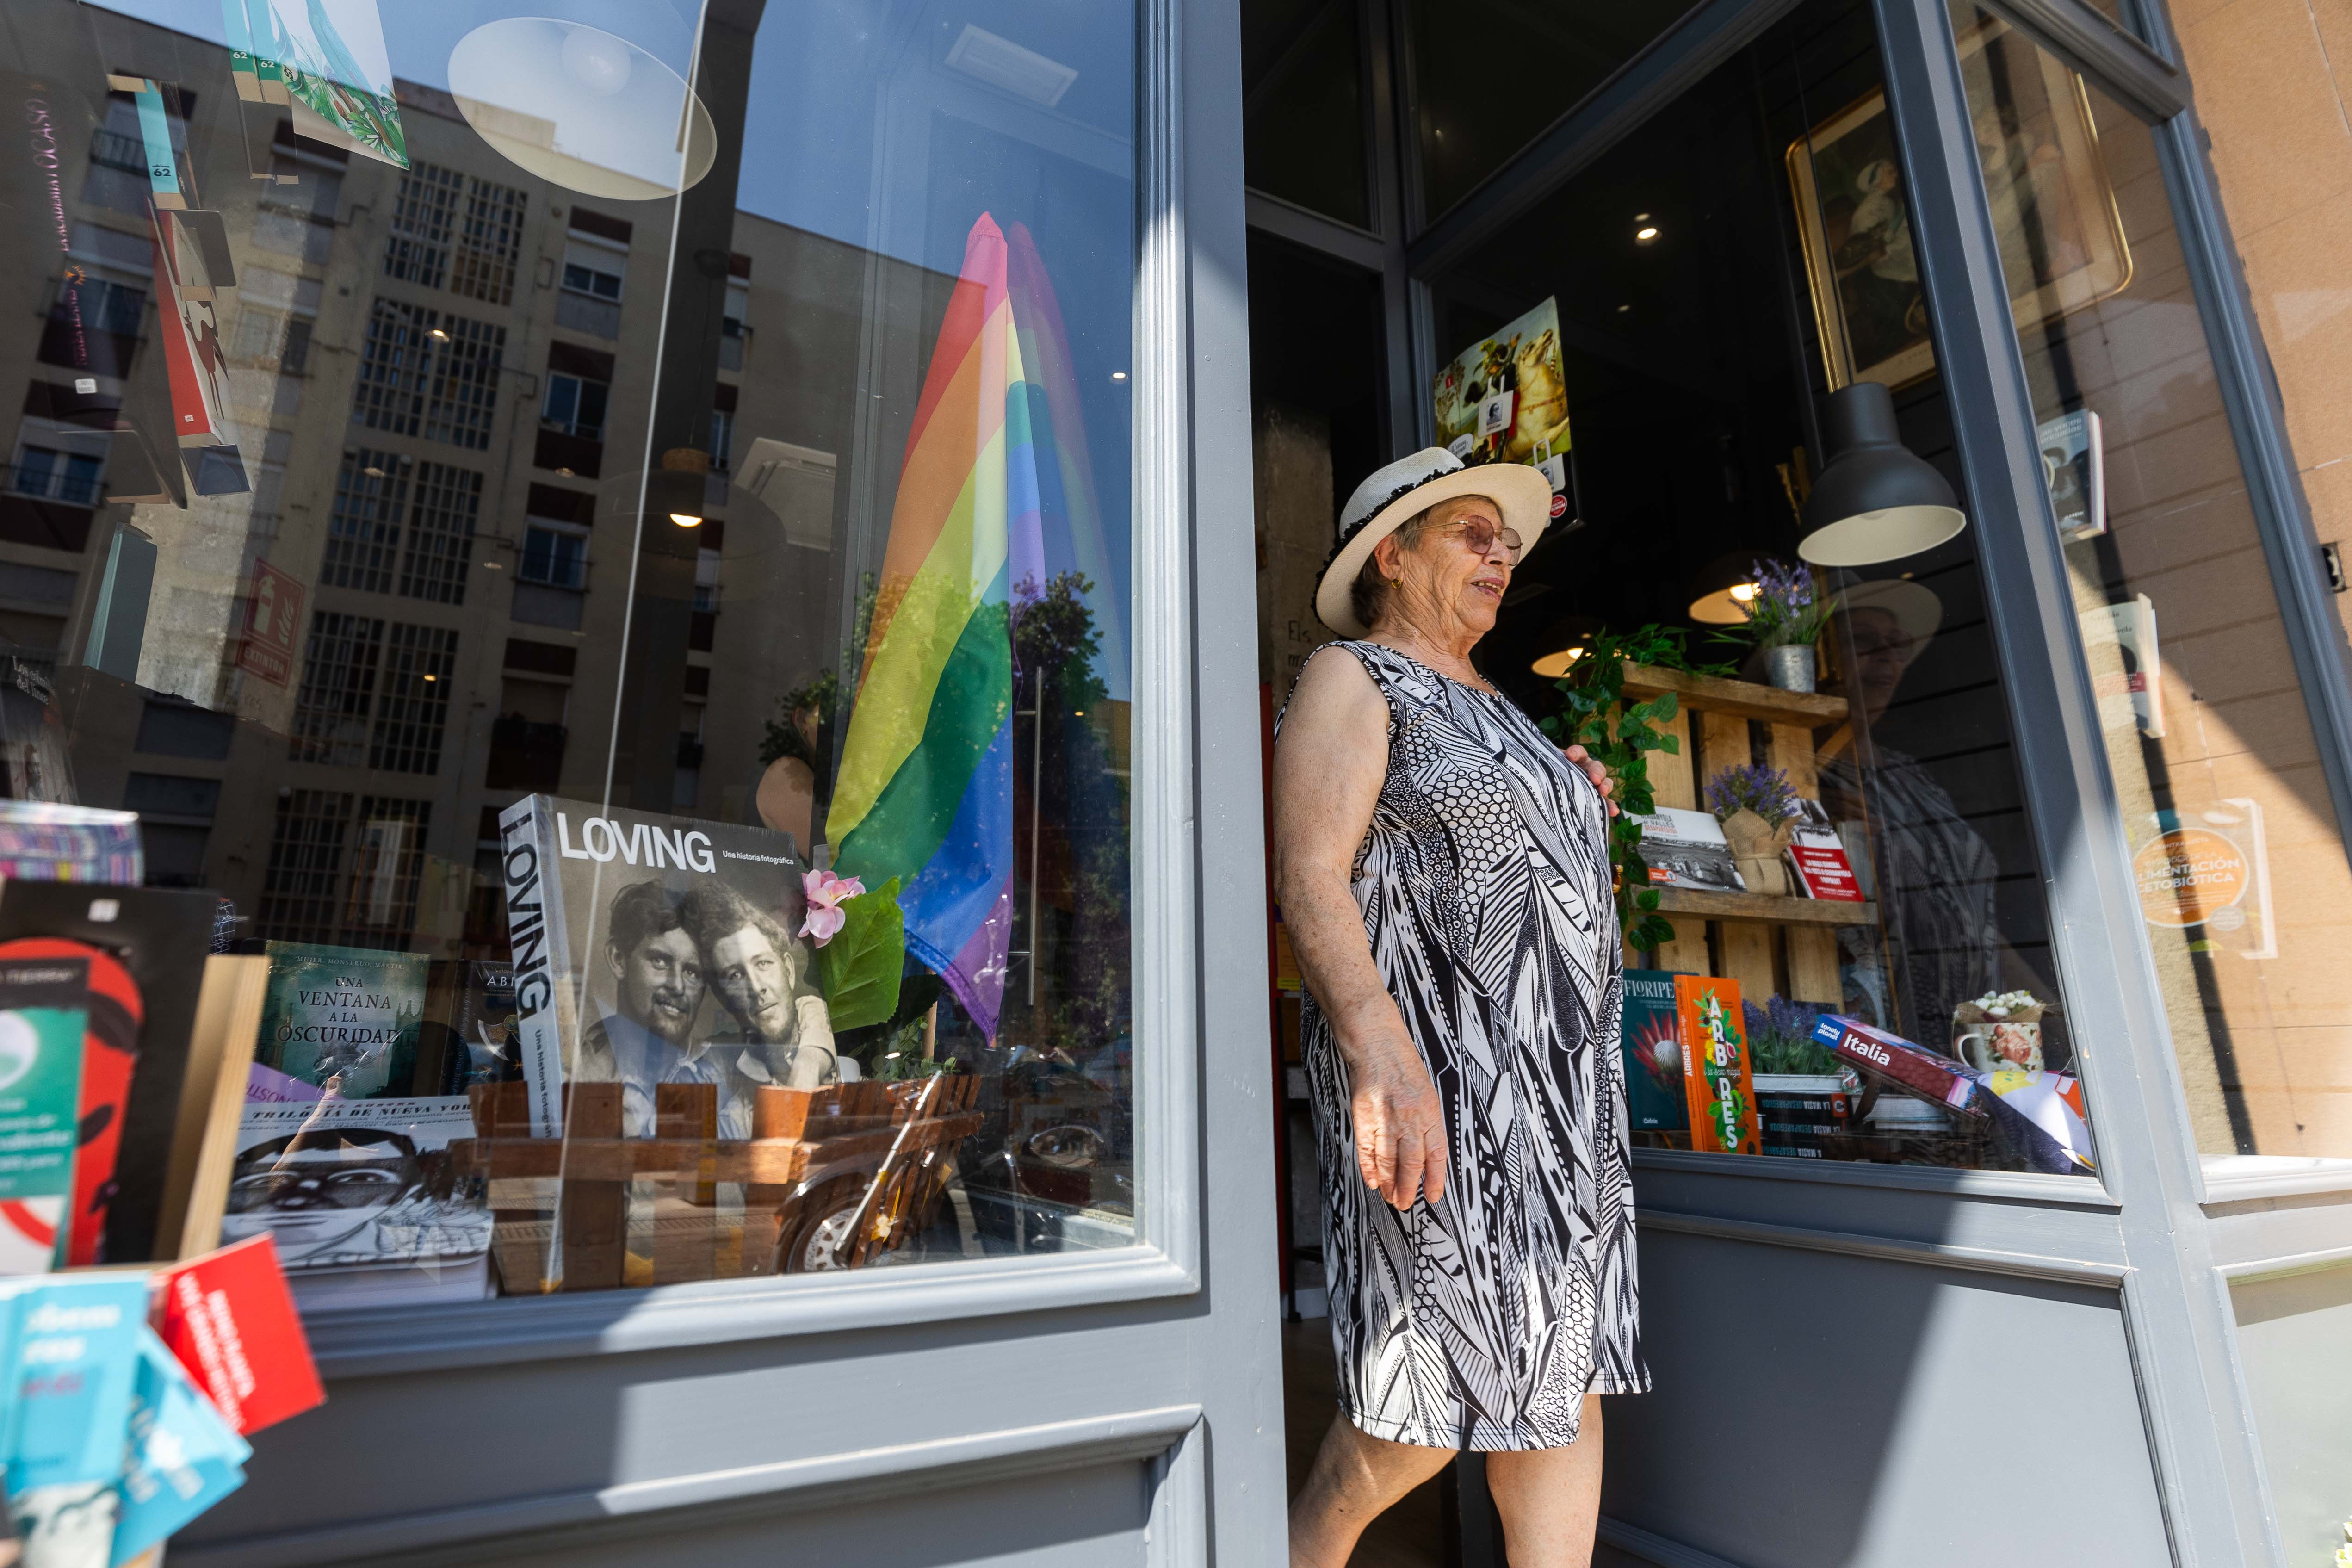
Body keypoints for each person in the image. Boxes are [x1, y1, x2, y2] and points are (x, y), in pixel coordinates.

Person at [1274, 447, 1645, 1568]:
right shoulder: (1356, 675)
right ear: (1390, 555)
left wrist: (1571, 810)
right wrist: (1380, 1055)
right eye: (1470, 532)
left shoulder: (1508, 709)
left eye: (1507, 539)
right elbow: (1307, 874)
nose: (1502, 553)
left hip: (1562, 1104)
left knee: (1564, 1380)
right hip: (1444, 1092)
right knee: (1413, 1409)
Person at [575, 878, 745, 1138]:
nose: (677, 986)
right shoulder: (577, 1072)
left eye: (692, 972)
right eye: (660, 961)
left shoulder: (726, 1071)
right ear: (619, 959)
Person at [680, 880, 838, 1091]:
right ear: (724, 999)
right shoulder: (718, 1074)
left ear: (789, 971)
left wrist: (809, 1061)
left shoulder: (818, 1019)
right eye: (735, 976)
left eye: (763, 964)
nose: (755, 988)